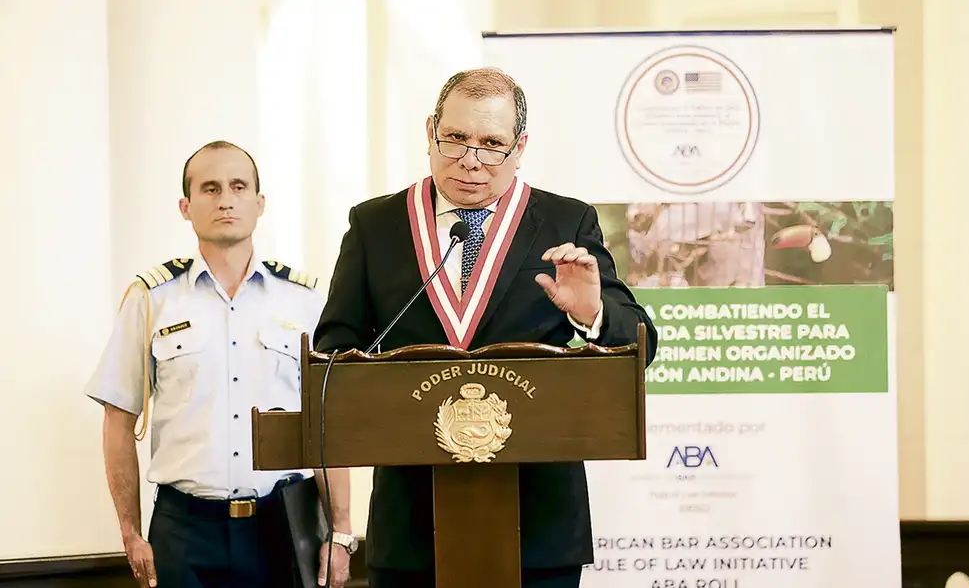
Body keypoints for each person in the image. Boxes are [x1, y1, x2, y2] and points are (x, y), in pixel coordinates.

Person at [313, 68, 658, 588]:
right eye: (455, 138)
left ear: (520, 148)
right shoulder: (375, 225)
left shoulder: (565, 220)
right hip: (411, 528)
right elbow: (334, 353)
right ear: (430, 131)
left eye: (492, 144)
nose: (471, 161)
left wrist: (592, 313)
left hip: (538, 525)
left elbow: (640, 345)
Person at [83, 141, 357, 588]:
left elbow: (327, 423)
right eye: (210, 188)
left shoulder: (304, 299)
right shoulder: (152, 299)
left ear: (259, 203)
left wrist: (341, 531)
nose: (226, 199)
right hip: (184, 528)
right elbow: (118, 417)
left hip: (282, 525)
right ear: (185, 207)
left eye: (238, 186)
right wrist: (130, 533)